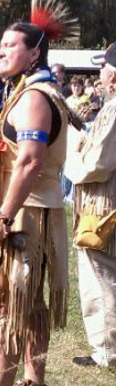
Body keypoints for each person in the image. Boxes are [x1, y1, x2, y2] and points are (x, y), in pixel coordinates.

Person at [0, 0, 77, 386]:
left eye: (10, 45)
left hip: (24, 216)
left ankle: (5, 383)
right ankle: (33, 379)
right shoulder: (32, 92)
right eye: (0, 46)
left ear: (34, 54)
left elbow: (30, 162)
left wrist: (3, 217)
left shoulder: (33, 97)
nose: (1, 52)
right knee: (29, 308)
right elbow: (20, 153)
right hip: (33, 211)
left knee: (7, 303)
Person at [65, 42, 116, 368]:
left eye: (104, 68)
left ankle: (108, 351)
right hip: (103, 202)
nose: (99, 74)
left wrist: (70, 155)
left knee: (101, 278)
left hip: (104, 206)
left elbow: (98, 162)